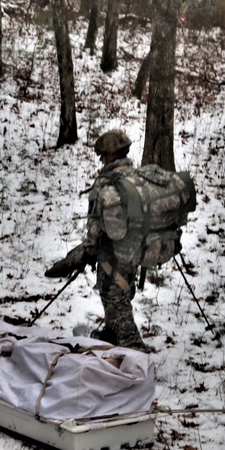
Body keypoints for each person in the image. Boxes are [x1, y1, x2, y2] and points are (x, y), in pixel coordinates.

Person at [44, 129, 151, 352]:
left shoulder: (104, 184)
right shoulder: (139, 177)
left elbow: (94, 226)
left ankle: (136, 352)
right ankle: (112, 334)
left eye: (103, 156)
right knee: (119, 294)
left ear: (111, 155)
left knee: (114, 298)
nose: (101, 160)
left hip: (114, 254)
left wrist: (90, 251)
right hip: (138, 250)